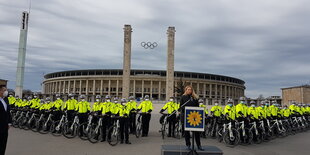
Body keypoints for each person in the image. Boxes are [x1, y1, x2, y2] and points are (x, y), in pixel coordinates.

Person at [179, 85, 203, 151]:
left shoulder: (194, 98)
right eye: (188, 89)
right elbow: (180, 107)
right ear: (185, 90)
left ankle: (199, 145)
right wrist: (186, 109)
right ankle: (188, 145)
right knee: (186, 132)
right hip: (186, 117)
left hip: (194, 117)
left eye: (190, 89)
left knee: (196, 132)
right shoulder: (183, 97)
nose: (189, 91)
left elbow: (197, 107)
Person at [0, 85, 12, 155]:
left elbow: (8, 111)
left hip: (5, 126)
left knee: (3, 143)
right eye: (4, 90)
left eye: (6, 90)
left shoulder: (6, 99)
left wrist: (9, 122)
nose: (6, 92)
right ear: (0, 91)